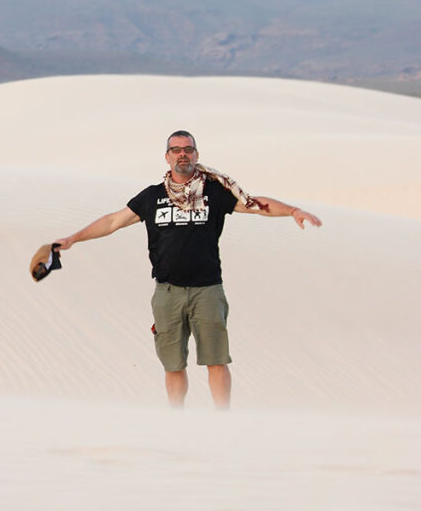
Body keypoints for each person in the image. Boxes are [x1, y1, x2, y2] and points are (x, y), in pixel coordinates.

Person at [51, 130, 322, 409]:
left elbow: (255, 205)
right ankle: (177, 421)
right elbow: (112, 222)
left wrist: (293, 211)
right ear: (167, 157)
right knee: (173, 365)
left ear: (196, 155)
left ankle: (223, 420)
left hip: (208, 290)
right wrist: (73, 239)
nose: (183, 154)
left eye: (188, 149)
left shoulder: (214, 192)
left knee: (216, 360)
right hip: (168, 293)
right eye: (177, 150)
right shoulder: (152, 197)